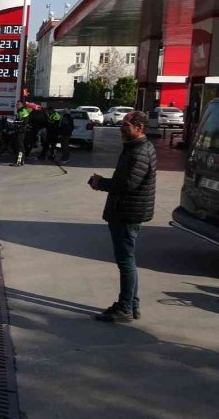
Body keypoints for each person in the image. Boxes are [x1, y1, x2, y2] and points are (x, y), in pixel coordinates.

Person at [88, 111, 156, 323]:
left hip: (127, 212)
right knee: (128, 260)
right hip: (126, 210)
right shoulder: (135, 147)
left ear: (139, 128)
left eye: (126, 125)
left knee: (125, 262)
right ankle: (131, 304)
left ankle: (125, 307)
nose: (121, 128)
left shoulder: (139, 152)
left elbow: (127, 184)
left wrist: (100, 183)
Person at [12, 101, 31, 167]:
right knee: (18, 146)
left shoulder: (23, 111)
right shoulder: (19, 111)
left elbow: (24, 121)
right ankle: (21, 161)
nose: (17, 105)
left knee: (20, 147)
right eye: (16, 104)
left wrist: (15, 122)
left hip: (21, 132)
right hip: (18, 131)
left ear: (22, 105)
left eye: (19, 104)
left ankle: (19, 162)